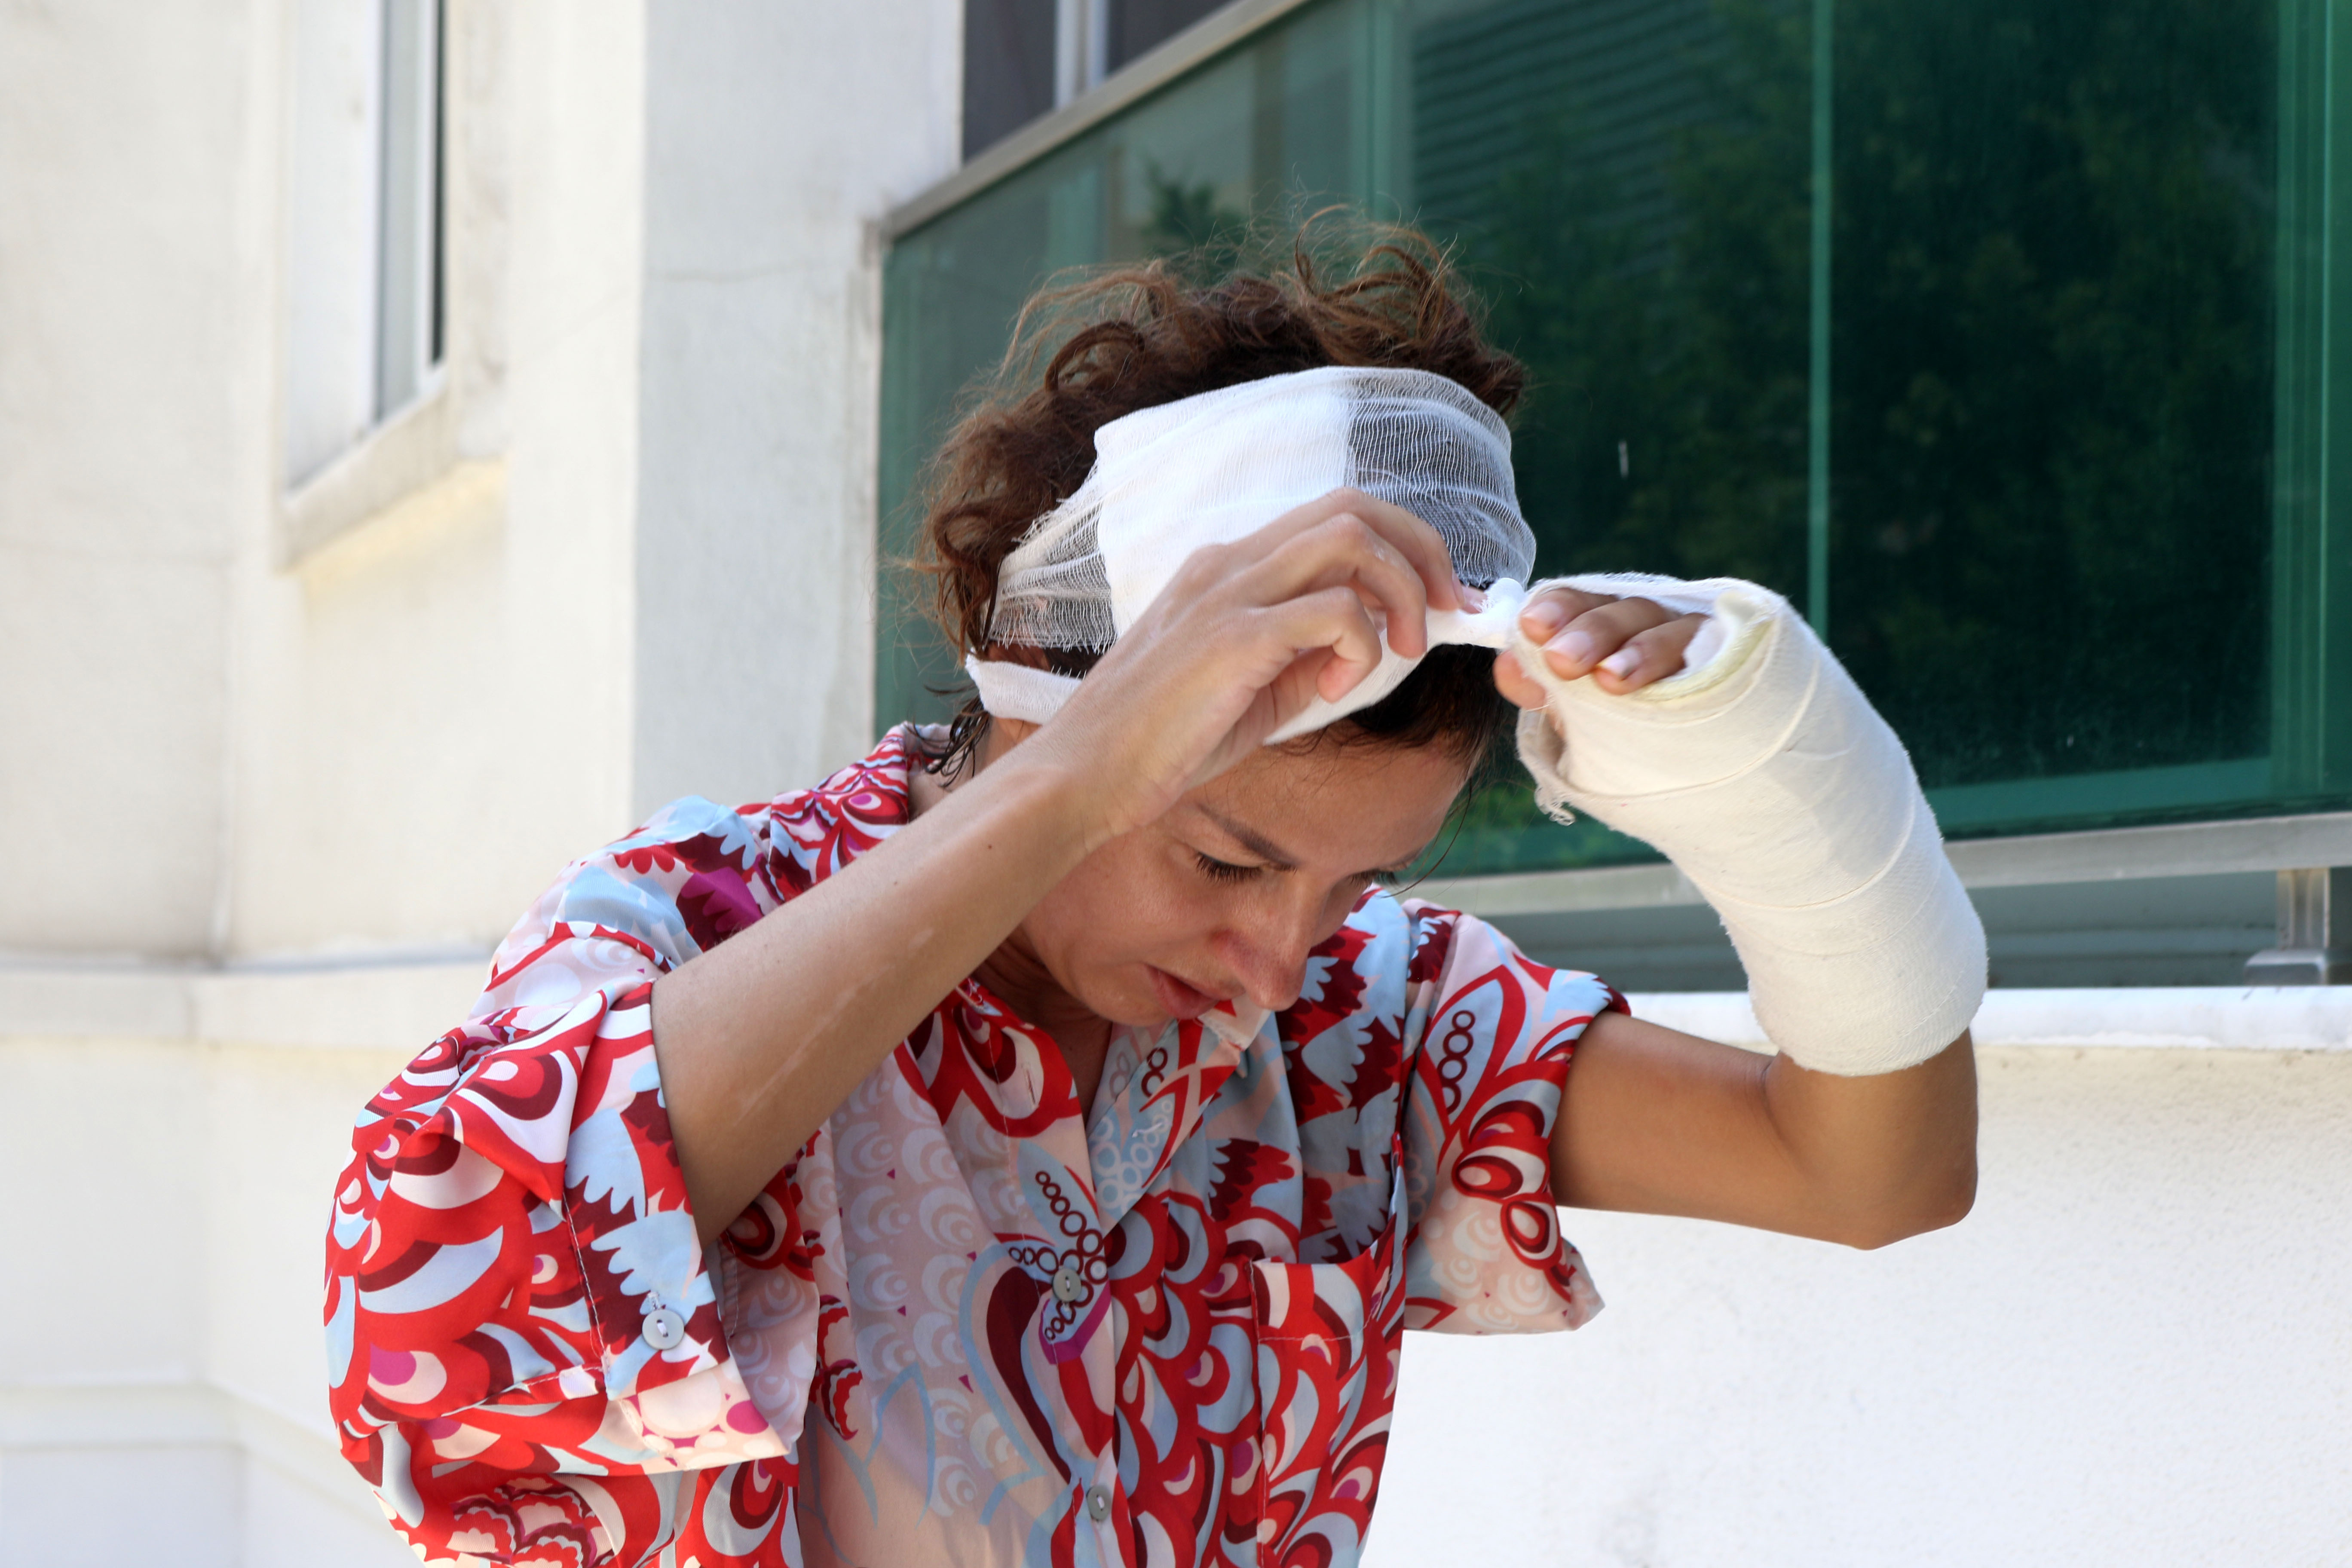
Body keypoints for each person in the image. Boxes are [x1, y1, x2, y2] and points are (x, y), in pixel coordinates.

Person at [325, 233, 1983, 1568]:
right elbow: (420, 1294)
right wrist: (1079, 782)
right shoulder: (698, 925)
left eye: (1360, 882)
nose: (1276, 965)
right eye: (1226, 860)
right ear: (1046, 711)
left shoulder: (1370, 1021)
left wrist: (1775, 767)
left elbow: (1873, 1174)